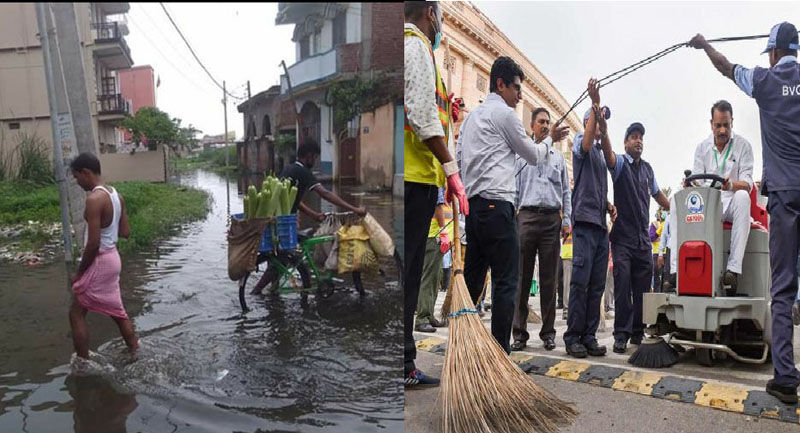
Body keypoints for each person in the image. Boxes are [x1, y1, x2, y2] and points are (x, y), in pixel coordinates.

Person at [689, 22, 800, 404]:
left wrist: (704, 44)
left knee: (782, 289)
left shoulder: (765, 81)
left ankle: (786, 378)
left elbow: (725, 66)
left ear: (772, 52)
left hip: (785, 196)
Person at [458, 55, 569, 354]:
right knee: (507, 281)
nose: (520, 95)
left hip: (475, 208)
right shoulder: (505, 115)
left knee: (472, 283)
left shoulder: (470, 119)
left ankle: (464, 347)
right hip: (498, 208)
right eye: (516, 88)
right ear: (500, 84)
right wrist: (551, 140)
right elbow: (532, 155)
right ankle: (498, 351)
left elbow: (458, 159)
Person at [404, 1, 468, 388]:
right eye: (441, 13)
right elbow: (420, 115)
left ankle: (404, 361)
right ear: (430, 12)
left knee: (410, 277)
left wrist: (449, 109)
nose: (442, 22)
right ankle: (403, 364)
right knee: (408, 278)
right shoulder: (415, 46)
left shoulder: (419, 50)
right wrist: (452, 170)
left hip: (421, 179)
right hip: (414, 179)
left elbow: (432, 111)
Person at [251, 140, 366, 295]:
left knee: (279, 260)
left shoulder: (289, 169)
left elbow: (294, 201)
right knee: (281, 260)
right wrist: (354, 209)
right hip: (283, 223)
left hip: (277, 221)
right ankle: (256, 292)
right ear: (309, 156)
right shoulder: (303, 172)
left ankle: (273, 295)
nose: (315, 160)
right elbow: (325, 193)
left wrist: (314, 215)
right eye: (315, 157)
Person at [600, 116, 671, 354]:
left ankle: (638, 333)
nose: (638, 141)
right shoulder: (620, 163)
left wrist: (677, 206)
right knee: (622, 286)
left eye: (641, 138)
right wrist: (604, 130)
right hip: (622, 239)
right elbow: (608, 156)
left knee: (642, 290)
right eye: (633, 137)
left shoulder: (648, 170)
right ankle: (621, 334)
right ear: (625, 143)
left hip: (642, 241)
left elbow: (659, 196)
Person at [563, 78, 617, 359]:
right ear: (587, 123)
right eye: (597, 120)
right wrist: (595, 104)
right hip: (584, 224)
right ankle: (572, 336)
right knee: (580, 282)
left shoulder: (600, 151)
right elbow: (586, 143)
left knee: (596, 283)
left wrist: (607, 204)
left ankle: (589, 336)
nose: (600, 124)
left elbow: (610, 159)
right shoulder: (579, 146)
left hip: (600, 226)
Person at [511, 107, 572, 351]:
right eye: (541, 122)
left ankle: (548, 333)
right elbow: (514, 189)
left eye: (548, 122)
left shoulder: (558, 159)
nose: (546, 126)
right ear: (532, 126)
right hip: (525, 218)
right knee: (521, 279)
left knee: (549, 280)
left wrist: (566, 219)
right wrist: (512, 219)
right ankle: (519, 334)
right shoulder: (522, 155)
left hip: (550, 222)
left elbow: (566, 192)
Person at [68, 152, 138, 362]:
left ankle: (82, 364)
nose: (77, 182)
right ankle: (135, 351)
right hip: (113, 259)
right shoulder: (117, 195)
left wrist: (79, 272)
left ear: (86, 172)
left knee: (76, 313)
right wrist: (107, 224)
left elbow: (94, 243)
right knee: (118, 313)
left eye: (76, 177)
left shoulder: (94, 199)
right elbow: (125, 232)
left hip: (100, 261)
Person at [689, 100, 755, 295]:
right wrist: (691, 184)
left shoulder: (743, 146)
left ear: (732, 122)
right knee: (678, 205)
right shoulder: (702, 148)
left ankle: (733, 271)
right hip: (710, 204)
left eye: (726, 124)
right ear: (712, 124)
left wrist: (732, 185)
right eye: (718, 125)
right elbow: (697, 180)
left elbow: (748, 182)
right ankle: (676, 272)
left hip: (733, 201)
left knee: (743, 196)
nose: (722, 130)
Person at [415, 187, 452, 332]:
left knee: (435, 278)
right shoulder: (435, 181)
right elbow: (438, 206)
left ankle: (429, 315)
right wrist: (443, 231)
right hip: (432, 236)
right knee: (428, 278)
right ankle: (422, 318)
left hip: (431, 236)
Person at [649, 211, 665, 291]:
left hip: (667, 252)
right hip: (657, 253)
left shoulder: (668, 221)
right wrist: (659, 234)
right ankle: (656, 294)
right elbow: (651, 237)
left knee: (665, 276)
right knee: (657, 276)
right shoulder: (654, 224)